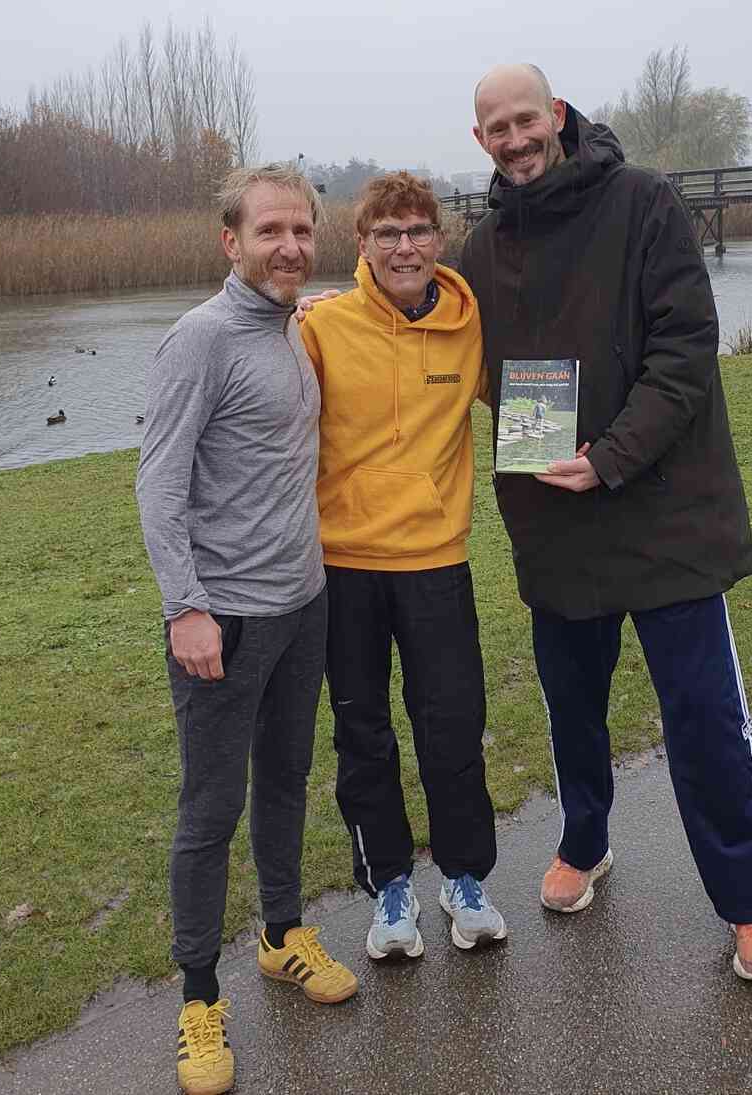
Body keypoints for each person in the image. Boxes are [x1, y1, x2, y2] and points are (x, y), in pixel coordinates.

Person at [460, 64, 752, 981]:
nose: (516, 138)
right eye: (497, 128)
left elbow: (686, 352)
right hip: (554, 523)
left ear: (557, 116)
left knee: (705, 719)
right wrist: (348, 315)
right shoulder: (481, 248)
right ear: (480, 140)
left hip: (666, 516)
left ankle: (749, 903)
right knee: (573, 712)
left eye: (528, 119)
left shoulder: (645, 203)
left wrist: (610, 455)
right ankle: (584, 841)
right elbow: (430, 335)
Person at [136, 164, 357, 1095]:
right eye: (270, 231)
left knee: (287, 783)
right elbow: (158, 482)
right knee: (209, 809)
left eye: (302, 231)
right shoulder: (201, 339)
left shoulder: (292, 327)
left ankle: (279, 934)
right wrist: (185, 606)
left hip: (303, 606)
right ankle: (197, 997)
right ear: (232, 241)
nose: (290, 246)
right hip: (221, 619)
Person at [298, 172, 506, 960]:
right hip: (342, 566)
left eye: (418, 230)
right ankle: (389, 885)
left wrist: (585, 457)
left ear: (439, 238)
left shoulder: (469, 325)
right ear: (363, 245)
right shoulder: (323, 326)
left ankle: (464, 877)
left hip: (435, 559)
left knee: (451, 727)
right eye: (387, 234)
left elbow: (529, 398)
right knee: (364, 734)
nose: (404, 246)